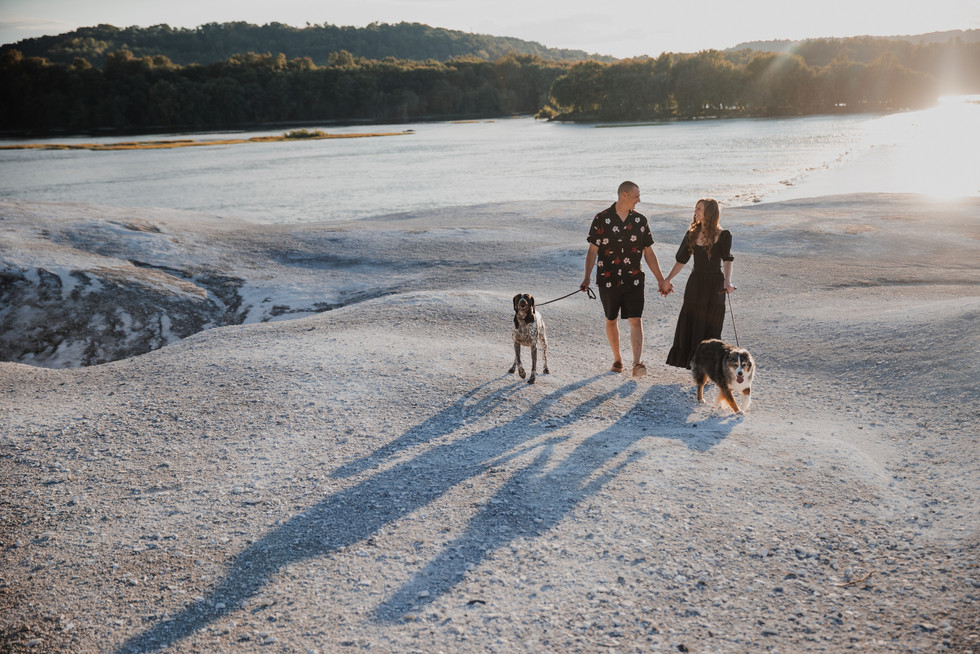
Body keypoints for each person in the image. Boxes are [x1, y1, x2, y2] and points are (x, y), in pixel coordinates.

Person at [581, 181, 671, 378]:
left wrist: (661, 279)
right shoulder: (601, 219)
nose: (639, 200)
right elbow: (592, 251)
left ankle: (637, 363)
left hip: (634, 280)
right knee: (611, 320)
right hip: (608, 279)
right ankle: (617, 359)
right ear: (624, 195)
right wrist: (587, 277)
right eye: (636, 196)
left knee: (635, 319)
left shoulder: (640, 221)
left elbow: (648, 252)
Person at [663, 198, 736, 369]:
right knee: (692, 320)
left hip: (715, 284)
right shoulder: (692, 234)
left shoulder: (723, 235)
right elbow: (681, 260)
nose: (695, 211)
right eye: (696, 208)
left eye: (699, 209)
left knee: (712, 322)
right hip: (695, 282)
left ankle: (709, 363)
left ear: (709, 212)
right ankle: (694, 362)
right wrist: (667, 279)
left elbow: (727, 259)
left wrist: (727, 281)